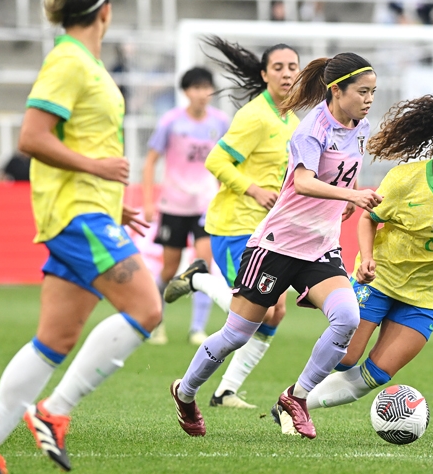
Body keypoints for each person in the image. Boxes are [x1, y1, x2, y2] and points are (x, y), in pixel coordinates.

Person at [0, 0, 162, 472]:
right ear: (105, 12)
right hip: (77, 215)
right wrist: (98, 170)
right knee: (146, 307)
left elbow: (80, 142)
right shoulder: (68, 61)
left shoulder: (88, 65)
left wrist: (111, 200)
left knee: (54, 340)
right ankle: (54, 412)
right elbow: (31, 137)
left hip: (90, 209)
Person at [167, 51, 382, 440]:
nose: (369, 99)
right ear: (337, 90)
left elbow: (347, 172)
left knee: (347, 318)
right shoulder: (310, 129)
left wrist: (345, 198)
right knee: (237, 334)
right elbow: (302, 181)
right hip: (277, 245)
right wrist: (350, 197)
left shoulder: (360, 126)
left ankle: (295, 398)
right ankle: (185, 393)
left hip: (319, 248)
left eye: (373, 92)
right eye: (363, 92)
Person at [304, 95, 433, 412]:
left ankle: (295, 403)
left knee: (377, 373)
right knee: (347, 356)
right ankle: (296, 391)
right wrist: (366, 258)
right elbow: (368, 218)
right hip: (380, 279)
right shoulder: (405, 179)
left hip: (426, 294)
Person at [164, 36, 301, 409]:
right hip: (235, 223)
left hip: (270, 228)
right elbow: (216, 162)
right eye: (278, 67)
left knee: (276, 311)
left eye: (292, 67)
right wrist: (253, 189)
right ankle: (197, 278)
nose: (287, 73)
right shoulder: (254, 116)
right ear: (264, 74)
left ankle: (226, 391)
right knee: (254, 307)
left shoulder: (291, 119)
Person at [142, 66, 230, 346]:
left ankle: (196, 329)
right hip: (174, 204)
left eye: (207, 88)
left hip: (206, 204)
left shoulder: (221, 122)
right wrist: (147, 201)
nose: (202, 94)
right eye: (196, 88)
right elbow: (150, 161)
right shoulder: (170, 122)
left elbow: (229, 162)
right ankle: (156, 322)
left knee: (202, 264)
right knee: (169, 270)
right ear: (186, 92)